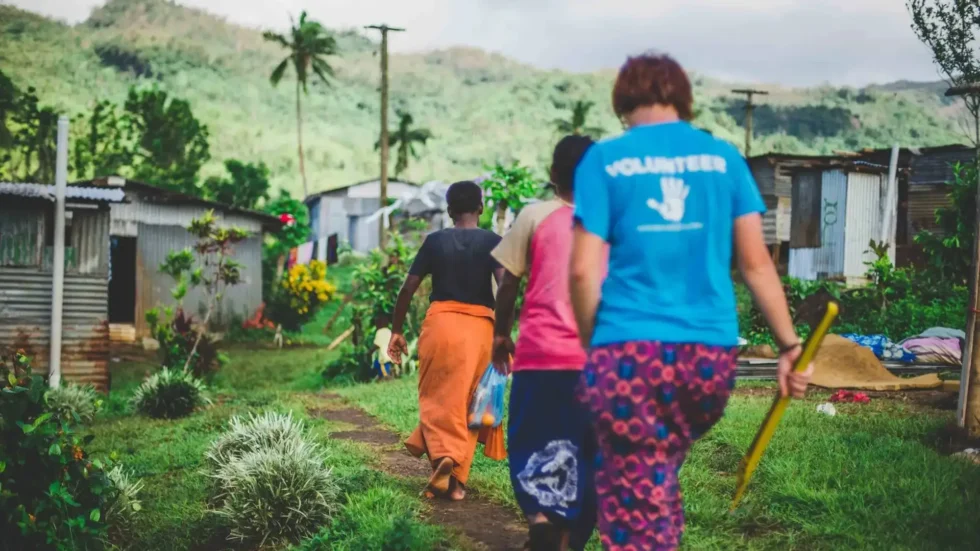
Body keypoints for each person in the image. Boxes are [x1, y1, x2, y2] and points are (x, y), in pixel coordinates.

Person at [568, 52, 814, 550]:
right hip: (707, 359)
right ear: (683, 99)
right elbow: (756, 265)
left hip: (631, 352)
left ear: (623, 100)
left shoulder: (605, 160)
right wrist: (790, 345)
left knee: (632, 496)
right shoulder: (724, 159)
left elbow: (580, 269)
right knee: (655, 472)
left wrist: (598, 343)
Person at [491, 135, 600, 551]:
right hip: (595, 361)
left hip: (539, 357)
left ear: (553, 175)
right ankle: (568, 540)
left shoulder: (534, 215)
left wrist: (501, 334)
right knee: (587, 450)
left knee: (531, 440)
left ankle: (539, 518)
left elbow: (508, 285)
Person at [388, 180, 506, 501]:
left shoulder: (434, 242)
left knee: (438, 398)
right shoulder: (494, 242)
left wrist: (397, 331)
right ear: (480, 208)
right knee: (471, 401)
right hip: (480, 329)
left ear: (450, 210)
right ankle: (456, 482)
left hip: (439, 325)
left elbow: (407, 289)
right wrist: (504, 333)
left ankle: (443, 460)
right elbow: (505, 287)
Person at [371, 312, 395, 379]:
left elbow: (376, 344)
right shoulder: (389, 331)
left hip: (383, 354)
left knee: (382, 366)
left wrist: (370, 351)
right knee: (388, 365)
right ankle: (393, 373)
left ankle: (385, 376)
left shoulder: (380, 332)